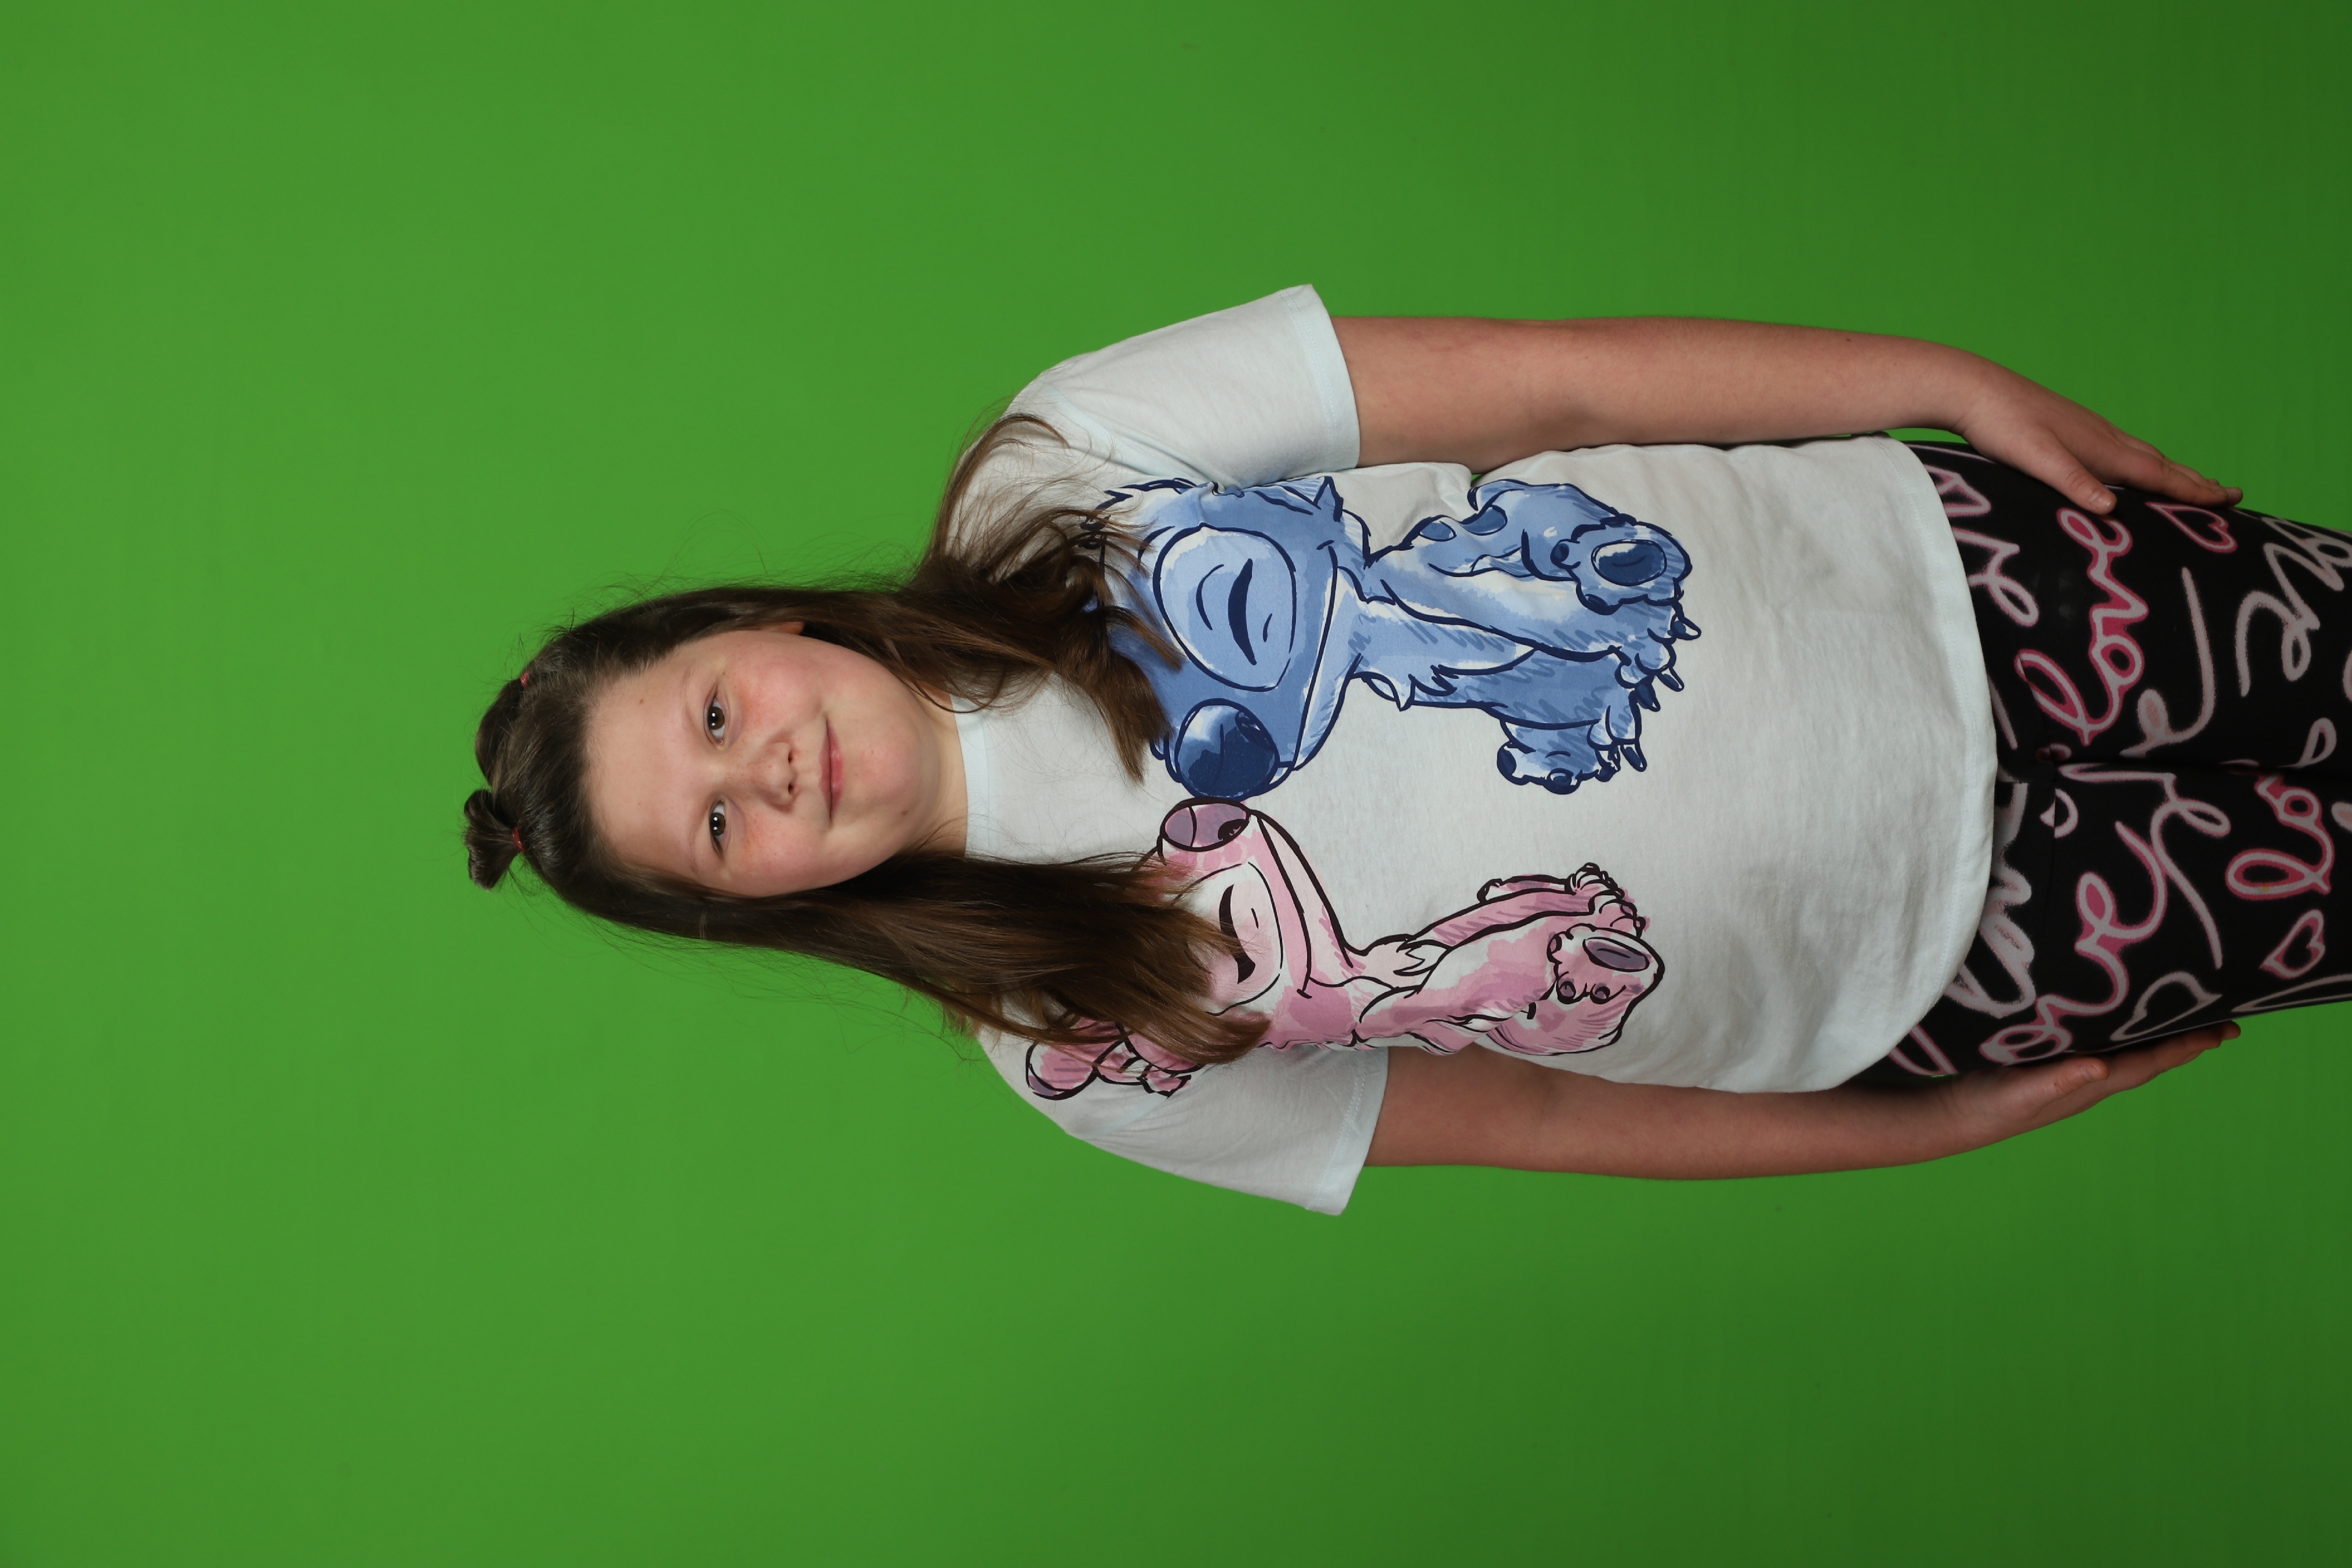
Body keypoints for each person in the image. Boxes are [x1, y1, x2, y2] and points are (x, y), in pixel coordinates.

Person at [462, 288, 2349, 1214]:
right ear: (760, 903)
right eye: (719, 831)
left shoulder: (1059, 467)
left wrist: (1939, 381)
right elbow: (1536, 1119)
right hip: (1945, 959)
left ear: (754, 628)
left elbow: (1554, 380)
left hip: (1951, 583)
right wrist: (1913, 1128)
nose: (769, 775)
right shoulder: (1077, 1048)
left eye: (715, 718)